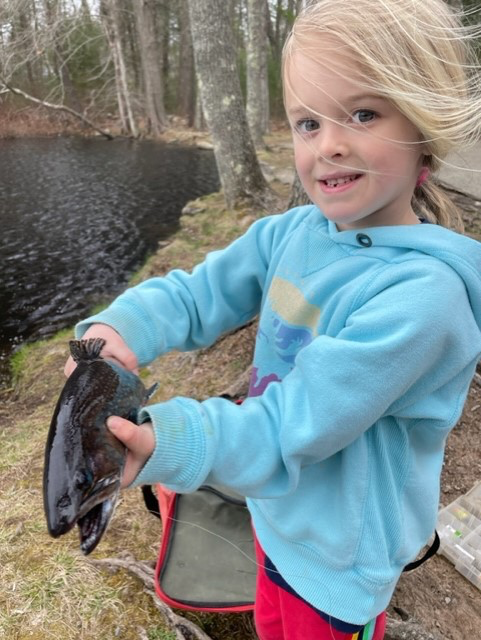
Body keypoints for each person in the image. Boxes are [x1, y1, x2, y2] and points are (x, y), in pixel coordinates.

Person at [65, 1, 481, 638]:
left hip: (339, 561)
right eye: (308, 122)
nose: (328, 145)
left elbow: (293, 425)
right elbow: (198, 294)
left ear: (423, 125)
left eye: (363, 114)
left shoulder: (422, 298)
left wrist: (167, 440)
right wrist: (121, 326)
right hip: (274, 510)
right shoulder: (292, 233)